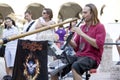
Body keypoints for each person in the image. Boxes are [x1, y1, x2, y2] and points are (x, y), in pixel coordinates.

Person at [51, 3, 106, 80]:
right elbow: (76, 47)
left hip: (92, 57)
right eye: (82, 12)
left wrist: (81, 33)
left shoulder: (100, 27)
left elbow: (98, 45)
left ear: (92, 13)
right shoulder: (82, 27)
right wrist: (69, 40)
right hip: (79, 55)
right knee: (56, 69)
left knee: (75, 66)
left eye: (85, 13)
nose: (82, 15)